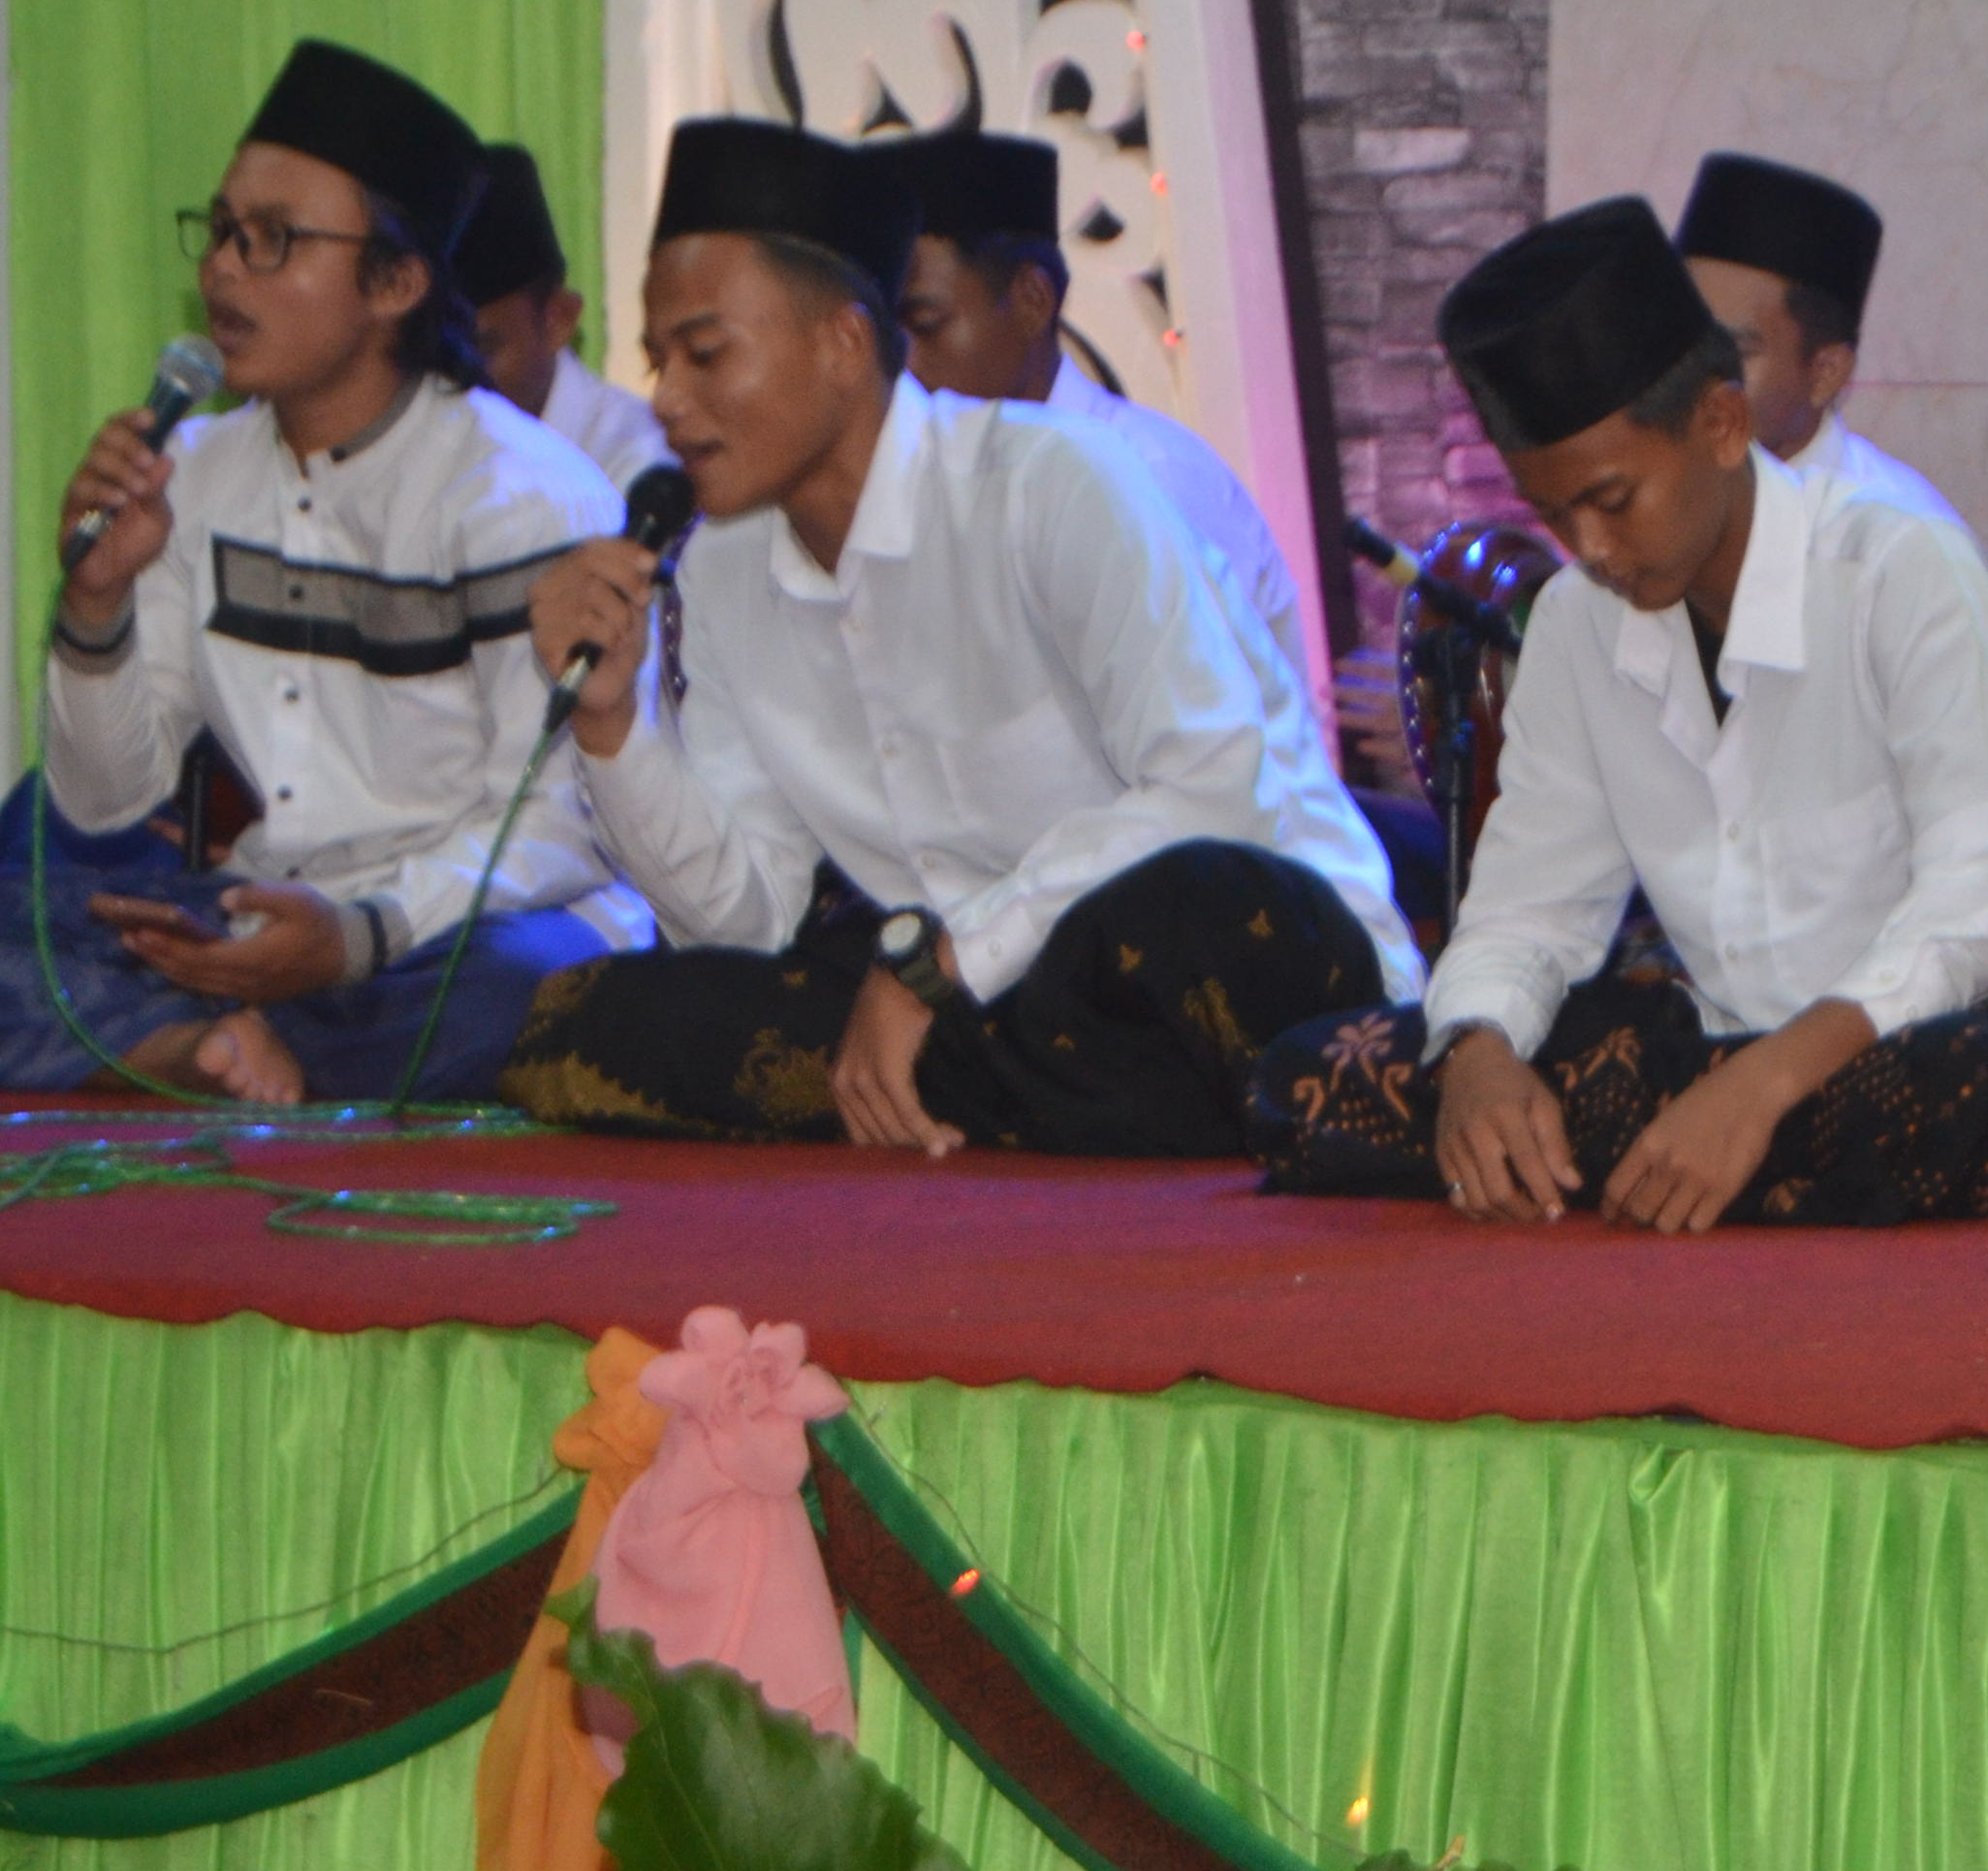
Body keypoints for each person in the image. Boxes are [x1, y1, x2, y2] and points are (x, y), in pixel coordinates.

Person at [1249, 198, 1988, 1224]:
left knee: (1961, 1095)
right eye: (1555, 515)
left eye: (1613, 500)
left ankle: (1693, 1144)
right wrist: (1475, 1052)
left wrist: (1767, 1082)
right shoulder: (1574, 623)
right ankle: (1693, 1152)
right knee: (1320, 1073)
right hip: (1728, 1052)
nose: (1589, 550)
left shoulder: (1900, 568)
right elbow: (1529, 908)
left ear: (1721, 424)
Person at [501, 116, 1416, 1157]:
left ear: (844, 343)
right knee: (592, 1016)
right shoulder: (718, 569)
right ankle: (1011, 1105)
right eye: (657, 359)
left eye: (706, 354)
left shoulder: (1055, 484)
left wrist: (941, 963)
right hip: (987, 1009)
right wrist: (612, 725)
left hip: (1234, 973)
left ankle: (1019, 1099)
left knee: (1190, 908)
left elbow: (1214, 789)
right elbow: (747, 918)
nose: (667, 401)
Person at [22, 40, 647, 1103]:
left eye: (272, 239)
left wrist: (358, 936)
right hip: (265, 915)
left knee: (522, 999)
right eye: (221, 230)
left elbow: (562, 825)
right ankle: (210, 1048)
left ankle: (208, 1050)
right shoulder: (193, 475)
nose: (222, 270)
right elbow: (103, 801)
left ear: (396, 282)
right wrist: (97, 603)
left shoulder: (525, 499)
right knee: (27, 897)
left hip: (459, 930)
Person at [868, 127, 1449, 936]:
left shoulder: (1144, 476)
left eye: (926, 325)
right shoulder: (925, 497)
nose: (903, 370)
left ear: (1031, 300)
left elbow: (1211, 788)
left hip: (1228, 923)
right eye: (885, 338)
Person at [1673, 150, 1964, 523]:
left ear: (1826, 373)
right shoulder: (1645, 500)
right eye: (1680, 337)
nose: (1688, 375)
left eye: (1732, 351)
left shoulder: (1894, 538)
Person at [450, 140, 674, 486]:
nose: (455, 379)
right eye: (438, 355)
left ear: (558, 319)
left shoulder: (637, 464)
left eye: (481, 350)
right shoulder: (435, 445)